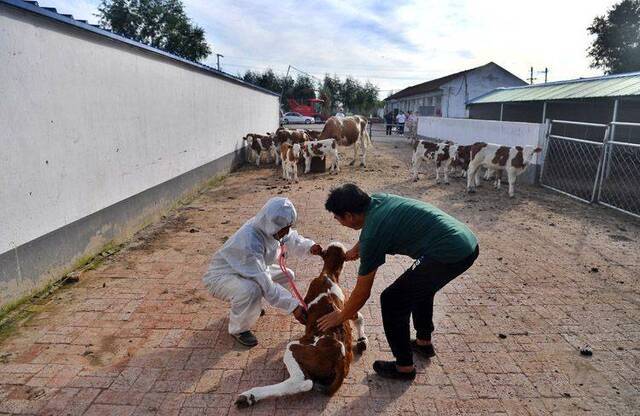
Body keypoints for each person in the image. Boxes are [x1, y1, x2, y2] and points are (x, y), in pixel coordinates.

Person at [318, 184, 478, 380]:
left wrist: (341, 316)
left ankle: (404, 367)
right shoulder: (376, 200)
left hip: (450, 252)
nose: (337, 220)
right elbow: (370, 230)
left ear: (350, 216)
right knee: (420, 287)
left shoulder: (372, 237)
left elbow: (362, 293)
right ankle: (423, 343)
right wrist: (356, 249)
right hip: (465, 240)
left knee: (392, 299)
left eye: (337, 217)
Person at [203, 197, 323, 347]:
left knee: (287, 275)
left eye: (288, 226)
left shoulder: (271, 226)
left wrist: (309, 247)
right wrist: (293, 306)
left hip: (250, 270)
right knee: (251, 290)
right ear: (272, 224)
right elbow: (265, 283)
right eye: (284, 228)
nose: (286, 231)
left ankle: (252, 308)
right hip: (223, 276)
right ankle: (239, 329)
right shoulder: (250, 240)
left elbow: (292, 238)